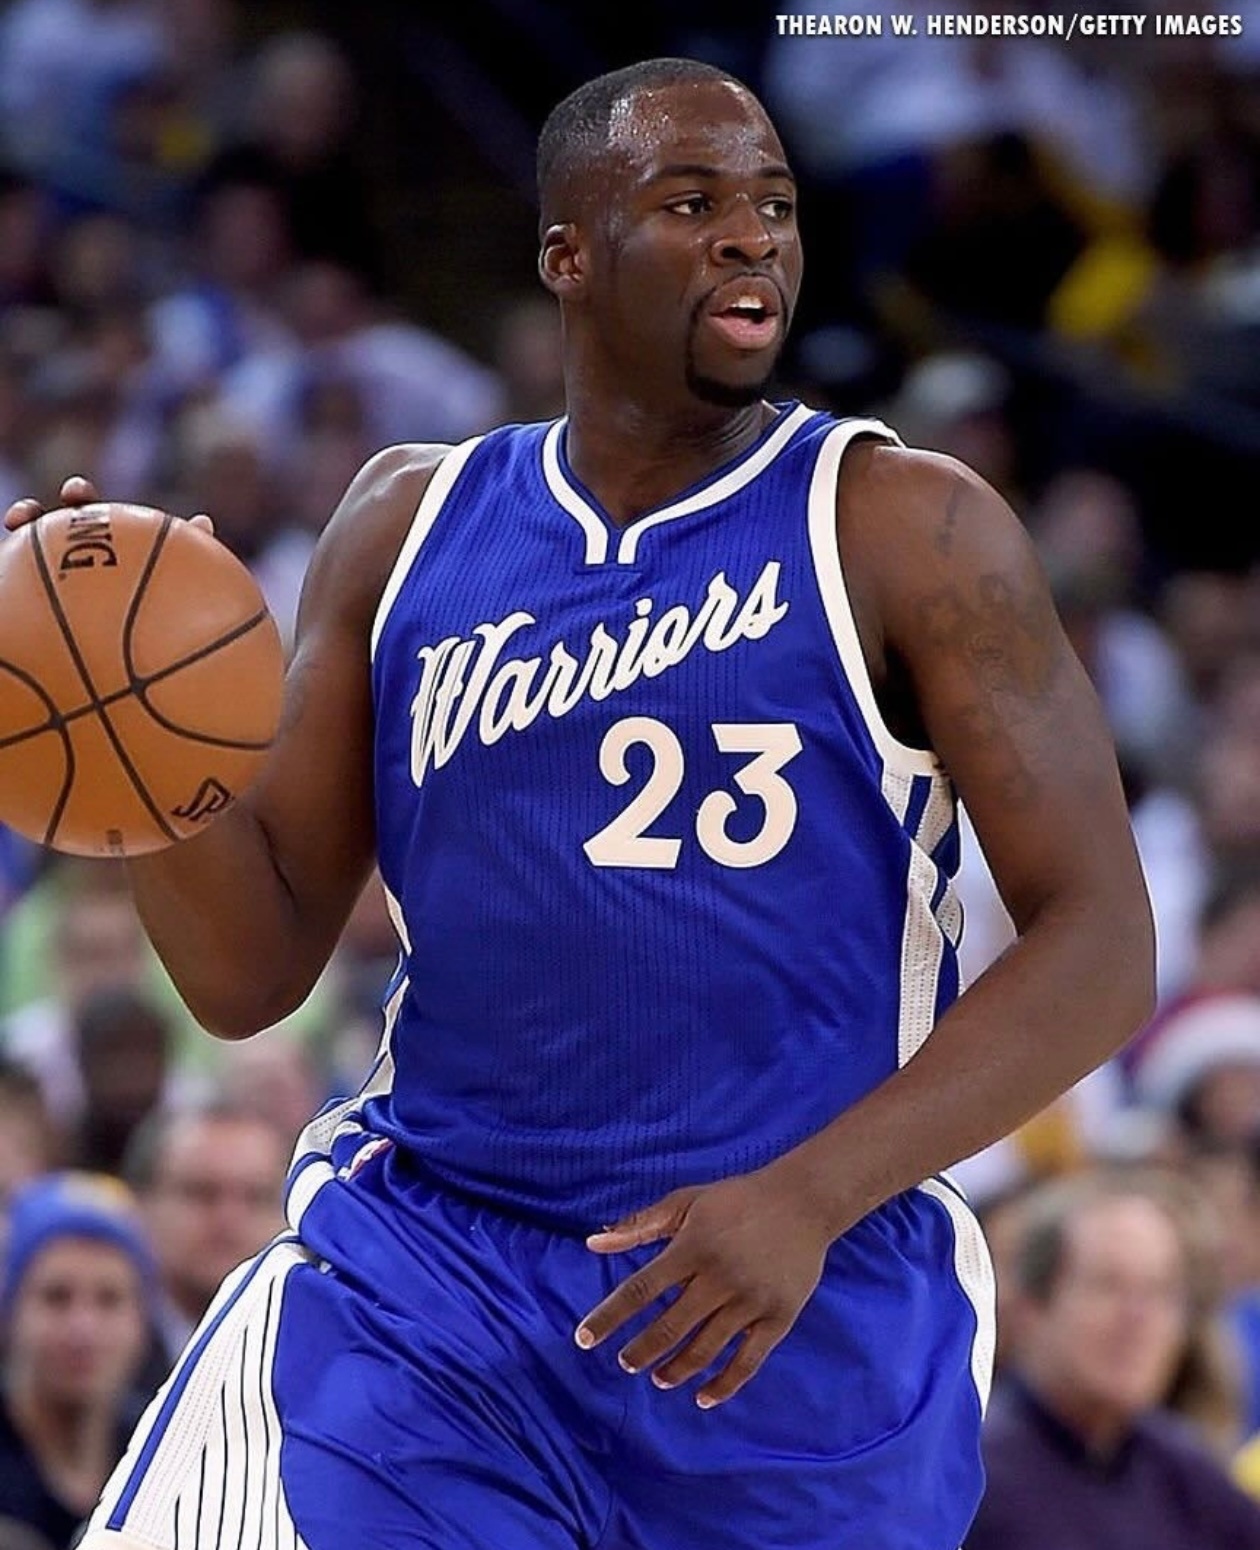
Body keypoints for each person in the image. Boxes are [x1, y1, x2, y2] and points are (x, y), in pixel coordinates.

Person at [5, 57, 1155, 1550]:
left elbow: (1103, 941)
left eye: (774, 205)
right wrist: (137, 748)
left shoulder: (904, 526)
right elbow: (246, 973)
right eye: (691, 201)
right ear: (567, 254)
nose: (750, 235)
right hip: (436, 1289)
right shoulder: (406, 526)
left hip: (793, 1306)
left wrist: (810, 1194)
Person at [964, 1169, 1260, 1548]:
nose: (1137, 1319)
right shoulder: (971, 1479)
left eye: (1160, 1292)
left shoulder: (1187, 1476)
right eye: (1108, 1286)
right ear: (1030, 1309)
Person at [0, 1173, 154, 1549]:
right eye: (56, 1297)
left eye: (109, 1300)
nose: (83, 1329)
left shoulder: (161, 1456)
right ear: (10, 1314)